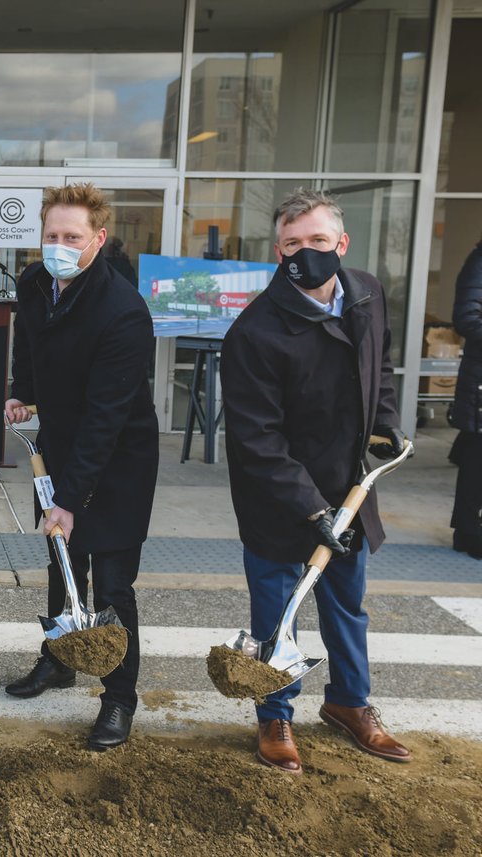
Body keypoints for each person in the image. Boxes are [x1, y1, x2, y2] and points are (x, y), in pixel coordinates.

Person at [221, 188, 410, 774]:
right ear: (278, 250)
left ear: (341, 243)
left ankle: (350, 704)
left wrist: (385, 428)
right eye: (294, 244)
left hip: (350, 488)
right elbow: (256, 439)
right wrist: (311, 510)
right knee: (278, 611)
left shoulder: (368, 294)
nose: (307, 253)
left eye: (319, 241)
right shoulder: (255, 332)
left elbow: (380, 367)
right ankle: (275, 714)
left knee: (346, 606)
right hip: (281, 498)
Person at [3, 184, 159, 752]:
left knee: (113, 583)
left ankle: (119, 697)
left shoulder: (123, 312)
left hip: (117, 459)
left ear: (98, 239)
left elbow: (105, 418)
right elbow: (30, 347)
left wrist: (68, 500)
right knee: (60, 563)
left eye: (72, 237)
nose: (59, 246)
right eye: (51, 235)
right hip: (60, 444)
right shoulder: (34, 283)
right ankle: (58, 660)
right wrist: (24, 392)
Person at [450, 236, 482, 559]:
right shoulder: (479, 263)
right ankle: (468, 532)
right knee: (476, 461)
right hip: (480, 383)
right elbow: (466, 319)